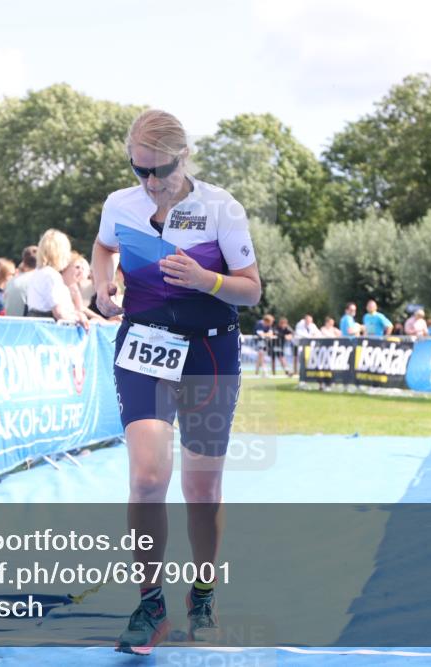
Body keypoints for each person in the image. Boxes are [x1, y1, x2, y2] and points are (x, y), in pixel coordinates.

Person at [91, 109, 261, 654]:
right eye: (138, 169)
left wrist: (206, 279)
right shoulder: (120, 204)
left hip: (210, 351)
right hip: (144, 346)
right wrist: (101, 285)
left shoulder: (221, 207)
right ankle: (150, 605)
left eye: (160, 170)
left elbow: (251, 289)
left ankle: (203, 596)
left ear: (182, 158)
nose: (150, 182)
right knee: (146, 478)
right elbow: (103, 247)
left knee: (201, 488)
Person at [26, 229, 88, 327]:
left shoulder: (38, 273)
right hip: (48, 329)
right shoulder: (51, 275)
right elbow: (59, 313)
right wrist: (79, 319)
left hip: (37, 326)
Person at [3, 245, 37, 317]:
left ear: (23, 261)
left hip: (9, 321)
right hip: (26, 322)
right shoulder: (36, 281)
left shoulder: (11, 281)